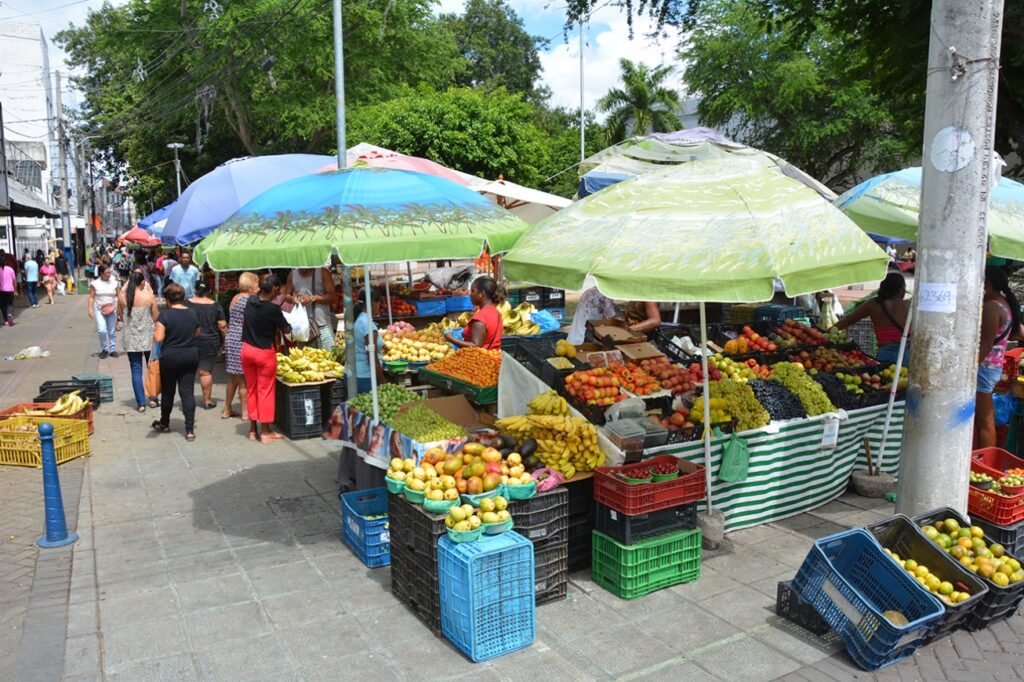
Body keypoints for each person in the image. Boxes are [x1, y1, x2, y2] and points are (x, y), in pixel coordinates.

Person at [976, 266, 1023, 449]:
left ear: (987, 283)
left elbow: (986, 345)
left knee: (984, 421)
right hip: (991, 367)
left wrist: (969, 370)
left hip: (984, 368)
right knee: (983, 420)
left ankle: (984, 464)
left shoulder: (991, 307)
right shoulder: (1002, 303)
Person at [242, 274, 292, 442]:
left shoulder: (250, 301)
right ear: (273, 289)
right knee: (265, 391)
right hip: (264, 352)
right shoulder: (272, 309)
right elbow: (286, 330)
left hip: (247, 350)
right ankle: (265, 432)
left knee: (252, 389)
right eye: (277, 289)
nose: (279, 292)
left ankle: (251, 430)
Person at [152, 283, 200, 441]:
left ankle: (165, 423)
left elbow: (159, 338)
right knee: (187, 392)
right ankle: (190, 430)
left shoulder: (165, 315)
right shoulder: (193, 313)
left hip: (170, 357)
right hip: (190, 355)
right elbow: (197, 333)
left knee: (168, 392)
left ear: (167, 299)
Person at [832, 273, 910, 366]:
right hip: (905, 355)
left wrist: (826, 333)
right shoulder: (908, 306)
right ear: (900, 289)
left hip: (884, 354)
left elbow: (848, 320)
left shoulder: (873, 304)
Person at [118, 268, 159, 412]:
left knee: (136, 370)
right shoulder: (149, 297)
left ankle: (141, 403)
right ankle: (153, 399)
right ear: (142, 282)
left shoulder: (123, 297)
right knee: (152, 368)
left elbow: (120, 315)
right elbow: (155, 316)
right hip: (148, 336)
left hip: (131, 338)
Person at [222, 271, 258, 420]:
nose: (258, 288)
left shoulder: (235, 298)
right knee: (244, 378)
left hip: (232, 338)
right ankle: (245, 411)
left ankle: (226, 409)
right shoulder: (250, 301)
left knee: (233, 378)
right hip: (243, 340)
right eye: (257, 285)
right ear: (250, 287)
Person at [188, 282, 227, 410]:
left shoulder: (187, 303)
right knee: (205, 372)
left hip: (189, 341)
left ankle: (187, 401)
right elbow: (222, 326)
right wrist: (225, 342)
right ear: (210, 291)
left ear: (195, 290)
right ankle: (207, 401)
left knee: (188, 372)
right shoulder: (215, 306)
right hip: (210, 342)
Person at [284, 267, 336, 350]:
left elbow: (332, 296)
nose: (303, 269)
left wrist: (312, 298)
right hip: (302, 327)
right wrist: (293, 299)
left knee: (329, 357)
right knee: (305, 359)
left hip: (322, 325)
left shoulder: (323, 272)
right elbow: (287, 295)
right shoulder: (292, 275)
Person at [444, 276, 503, 350]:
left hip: (480, 360)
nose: (470, 294)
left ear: (481, 293)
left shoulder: (480, 318)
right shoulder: (495, 312)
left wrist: (450, 338)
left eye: (473, 291)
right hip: (494, 357)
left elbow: (475, 345)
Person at [348, 287, 384, 394]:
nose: (379, 307)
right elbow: (372, 358)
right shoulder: (368, 325)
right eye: (379, 303)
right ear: (373, 302)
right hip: (364, 377)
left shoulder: (358, 319)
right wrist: (383, 381)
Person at [89, 264, 120, 358]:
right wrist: (90, 309)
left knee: (111, 330)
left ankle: (112, 349)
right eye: (107, 273)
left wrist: (120, 308)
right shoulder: (95, 283)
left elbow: (119, 295)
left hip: (112, 308)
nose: (109, 274)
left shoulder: (114, 282)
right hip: (99, 308)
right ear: (101, 273)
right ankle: (104, 349)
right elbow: (91, 297)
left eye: (110, 272)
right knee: (102, 330)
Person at [0, 251, 17, 326]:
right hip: (10, 290)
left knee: (3, 305)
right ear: (6, 262)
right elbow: (14, 281)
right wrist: (16, 290)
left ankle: (6, 320)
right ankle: (9, 314)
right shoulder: (10, 269)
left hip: (1, 290)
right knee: (9, 304)